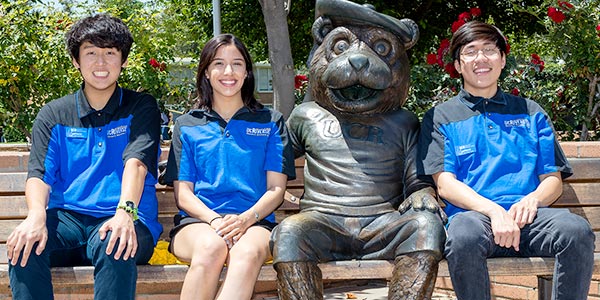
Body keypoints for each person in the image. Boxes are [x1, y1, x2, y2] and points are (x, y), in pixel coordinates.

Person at [418, 20, 595, 300]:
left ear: (501, 60)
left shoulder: (531, 112)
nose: (481, 59)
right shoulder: (441, 117)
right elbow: (446, 185)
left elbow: (552, 181)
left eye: (489, 50)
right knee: (462, 235)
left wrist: (532, 201)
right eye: (471, 51)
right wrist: (494, 212)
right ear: (458, 64)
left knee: (576, 230)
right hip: (476, 221)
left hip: (530, 220)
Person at [7, 14, 163, 300]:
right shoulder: (53, 114)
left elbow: (137, 163)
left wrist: (125, 212)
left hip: (123, 218)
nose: (100, 63)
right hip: (68, 220)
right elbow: (39, 173)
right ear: (76, 61)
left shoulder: (141, 106)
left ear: (123, 60)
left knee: (115, 242)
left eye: (110, 53)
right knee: (25, 246)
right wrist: (36, 216)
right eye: (91, 53)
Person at [163, 33, 296, 300]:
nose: (228, 71)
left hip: (256, 224)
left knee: (245, 253)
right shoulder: (188, 125)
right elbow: (184, 194)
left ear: (247, 72)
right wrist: (215, 221)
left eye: (237, 64)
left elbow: (276, 190)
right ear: (207, 73)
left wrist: (244, 220)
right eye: (218, 64)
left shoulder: (271, 122)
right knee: (212, 247)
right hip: (198, 223)